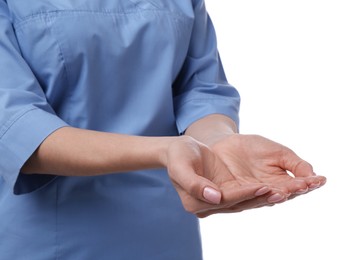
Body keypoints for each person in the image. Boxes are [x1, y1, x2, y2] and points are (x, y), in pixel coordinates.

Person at [0, 0, 326, 259]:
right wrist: (166, 150)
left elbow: (199, 88)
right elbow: (18, 128)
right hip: (53, 239)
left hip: (167, 233)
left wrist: (219, 142)